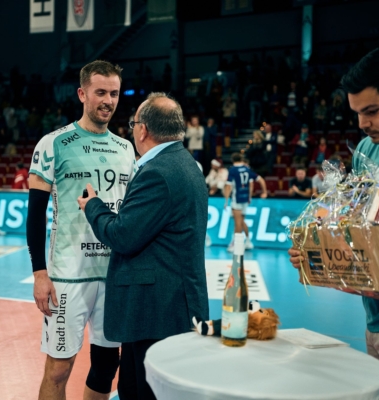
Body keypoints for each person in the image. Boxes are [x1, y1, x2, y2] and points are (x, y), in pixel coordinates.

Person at [289, 46, 379, 400]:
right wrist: (317, 255)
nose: (362, 124)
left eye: (372, 111)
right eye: (357, 113)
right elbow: (359, 232)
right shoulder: (367, 151)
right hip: (375, 317)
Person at [78, 92, 209, 400]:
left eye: (133, 123)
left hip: (156, 311)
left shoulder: (158, 173)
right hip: (172, 306)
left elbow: (122, 235)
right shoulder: (186, 163)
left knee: (142, 393)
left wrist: (93, 205)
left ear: (143, 130)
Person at [26, 60, 136, 400]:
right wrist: (40, 274)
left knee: (107, 366)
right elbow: (35, 215)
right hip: (67, 277)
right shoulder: (53, 143)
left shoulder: (126, 149)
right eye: (100, 92)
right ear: (82, 94)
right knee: (59, 369)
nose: (108, 101)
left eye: (114, 94)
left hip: (113, 275)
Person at [224, 152, 267, 251]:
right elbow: (261, 180)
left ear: (232, 160)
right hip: (245, 199)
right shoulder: (247, 169)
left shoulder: (232, 170)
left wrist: (226, 201)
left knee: (238, 223)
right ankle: (248, 241)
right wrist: (264, 192)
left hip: (237, 199)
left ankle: (236, 245)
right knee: (242, 221)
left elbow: (228, 186)